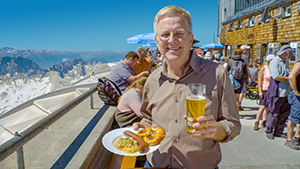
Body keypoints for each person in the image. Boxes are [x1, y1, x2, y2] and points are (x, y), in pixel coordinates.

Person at [132, 5, 241, 169]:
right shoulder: (152, 79)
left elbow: (233, 124)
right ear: (157, 41)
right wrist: (143, 127)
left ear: (190, 39)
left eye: (179, 33)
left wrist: (217, 129)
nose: (171, 40)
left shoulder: (216, 74)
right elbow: (148, 118)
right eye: (165, 34)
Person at [265, 45, 292, 140]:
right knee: (274, 112)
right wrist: (290, 78)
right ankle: (269, 130)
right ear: (285, 53)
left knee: (284, 113)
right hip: (277, 91)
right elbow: (276, 76)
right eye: (290, 54)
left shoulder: (286, 62)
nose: (290, 56)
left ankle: (278, 131)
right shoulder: (275, 62)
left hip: (286, 92)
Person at [253, 54, 275, 130]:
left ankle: (264, 120)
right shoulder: (264, 68)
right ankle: (257, 121)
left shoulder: (273, 68)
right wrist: (260, 91)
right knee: (262, 106)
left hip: (271, 89)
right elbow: (260, 80)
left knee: (268, 107)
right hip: (264, 89)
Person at [285, 61, 300, 149]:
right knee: (294, 116)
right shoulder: (298, 64)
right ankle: (289, 139)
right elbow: (291, 77)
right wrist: (295, 91)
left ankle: (297, 136)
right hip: (297, 95)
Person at [238, 45, 253, 110]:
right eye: (247, 49)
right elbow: (247, 68)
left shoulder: (235, 57)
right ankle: (239, 103)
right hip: (242, 76)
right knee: (242, 90)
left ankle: (235, 103)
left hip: (235, 76)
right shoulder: (245, 57)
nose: (248, 51)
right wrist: (249, 77)